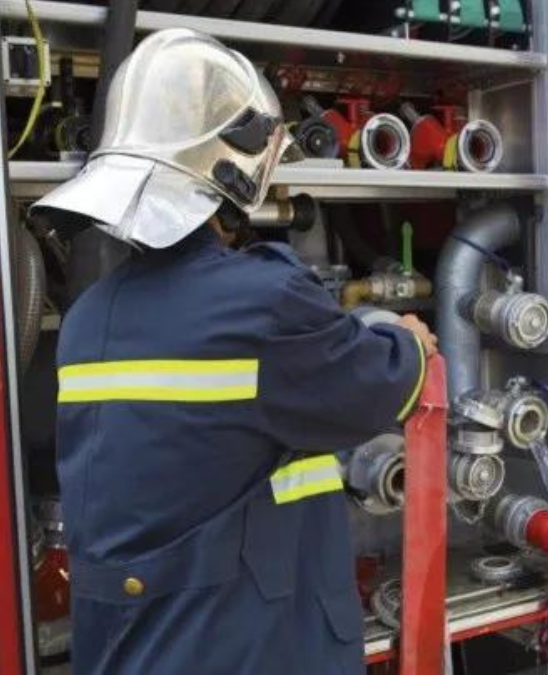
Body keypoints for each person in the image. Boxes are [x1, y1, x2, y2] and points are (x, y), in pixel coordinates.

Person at [32, 29, 437, 674]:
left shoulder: (84, 322)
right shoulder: (262, 305)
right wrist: (403, 338)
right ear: (232, 171)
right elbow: (378, 387)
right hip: (248, 649)